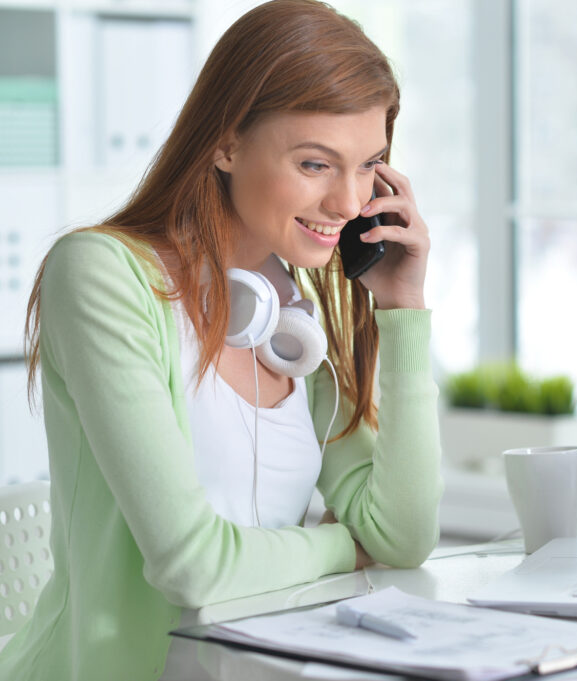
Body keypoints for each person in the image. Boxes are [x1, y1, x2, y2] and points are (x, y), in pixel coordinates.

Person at [0, 1, 443, 679]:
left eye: (369, 165)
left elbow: (402, 535)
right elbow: (192, 566)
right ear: (227, 143)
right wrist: (338, 547)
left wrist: (403, 307)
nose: (351, 204)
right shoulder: (103, 277)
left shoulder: (289, 314)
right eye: (316, 164)